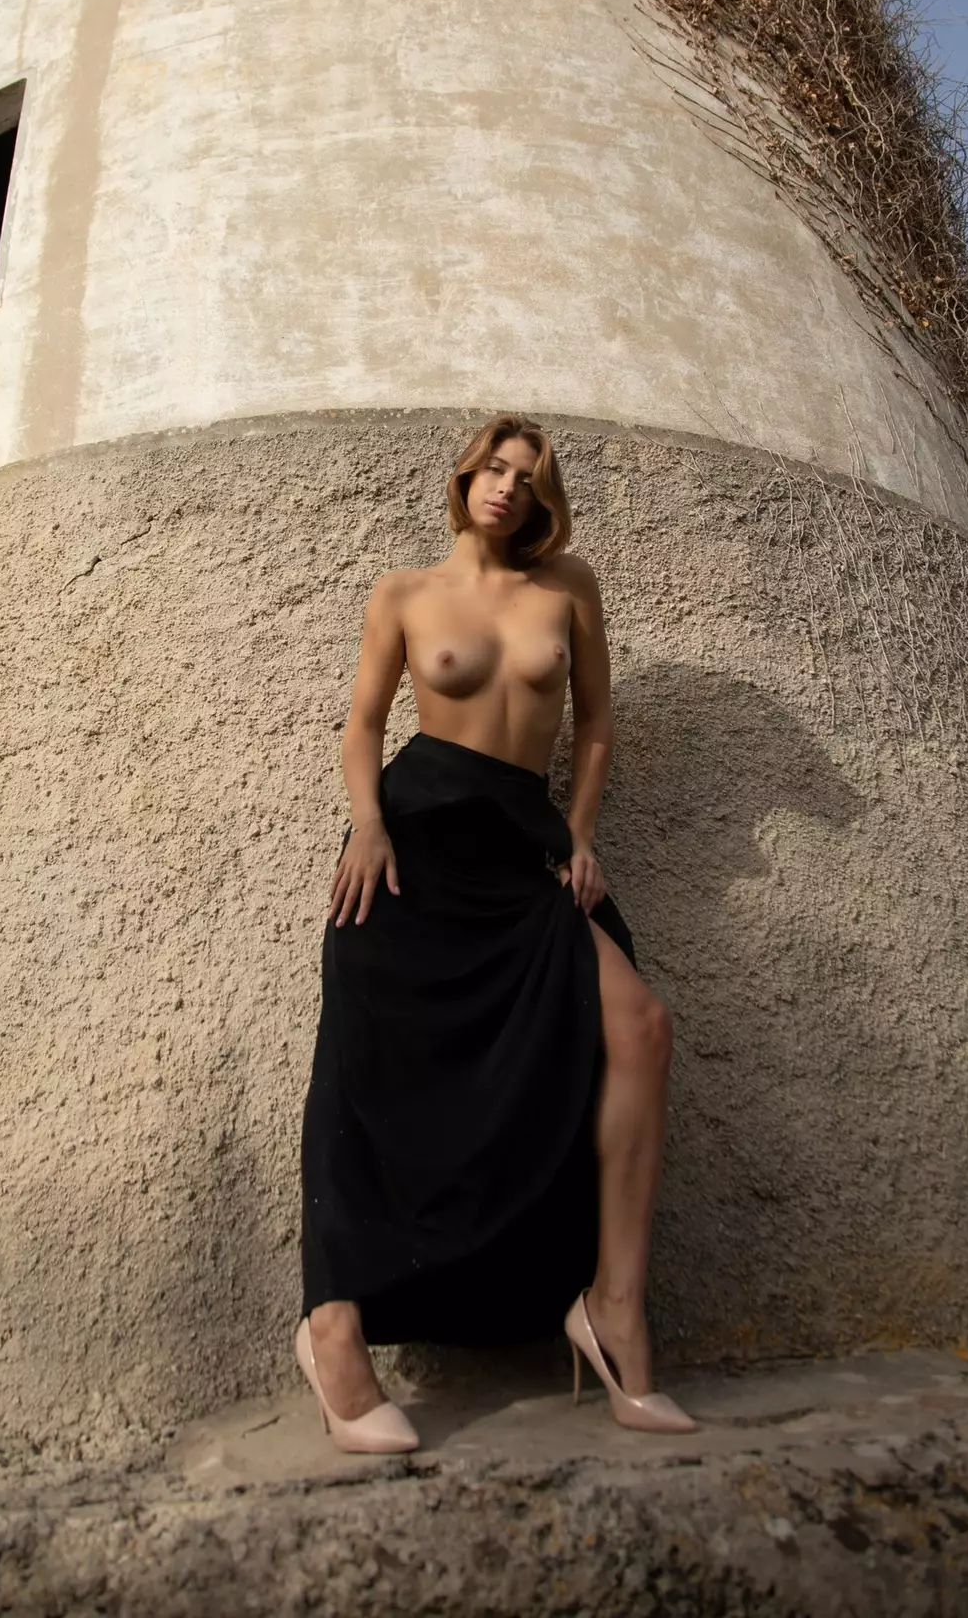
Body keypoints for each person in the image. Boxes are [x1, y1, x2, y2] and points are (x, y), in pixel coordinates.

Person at [294, 415, 696, 1453]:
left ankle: (612, 1309)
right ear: (465, 476)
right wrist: (369, 823)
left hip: (524, 843)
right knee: (359, 1064)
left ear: (541, 497)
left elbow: (595, 724)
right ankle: (332, 1325)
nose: (508, 485)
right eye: (495, 467)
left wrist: (581, 834)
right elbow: (363, 723)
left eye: (528, 475)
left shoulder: (568, 588)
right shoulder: (403, 592)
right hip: (413, 841)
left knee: (640, 1028)